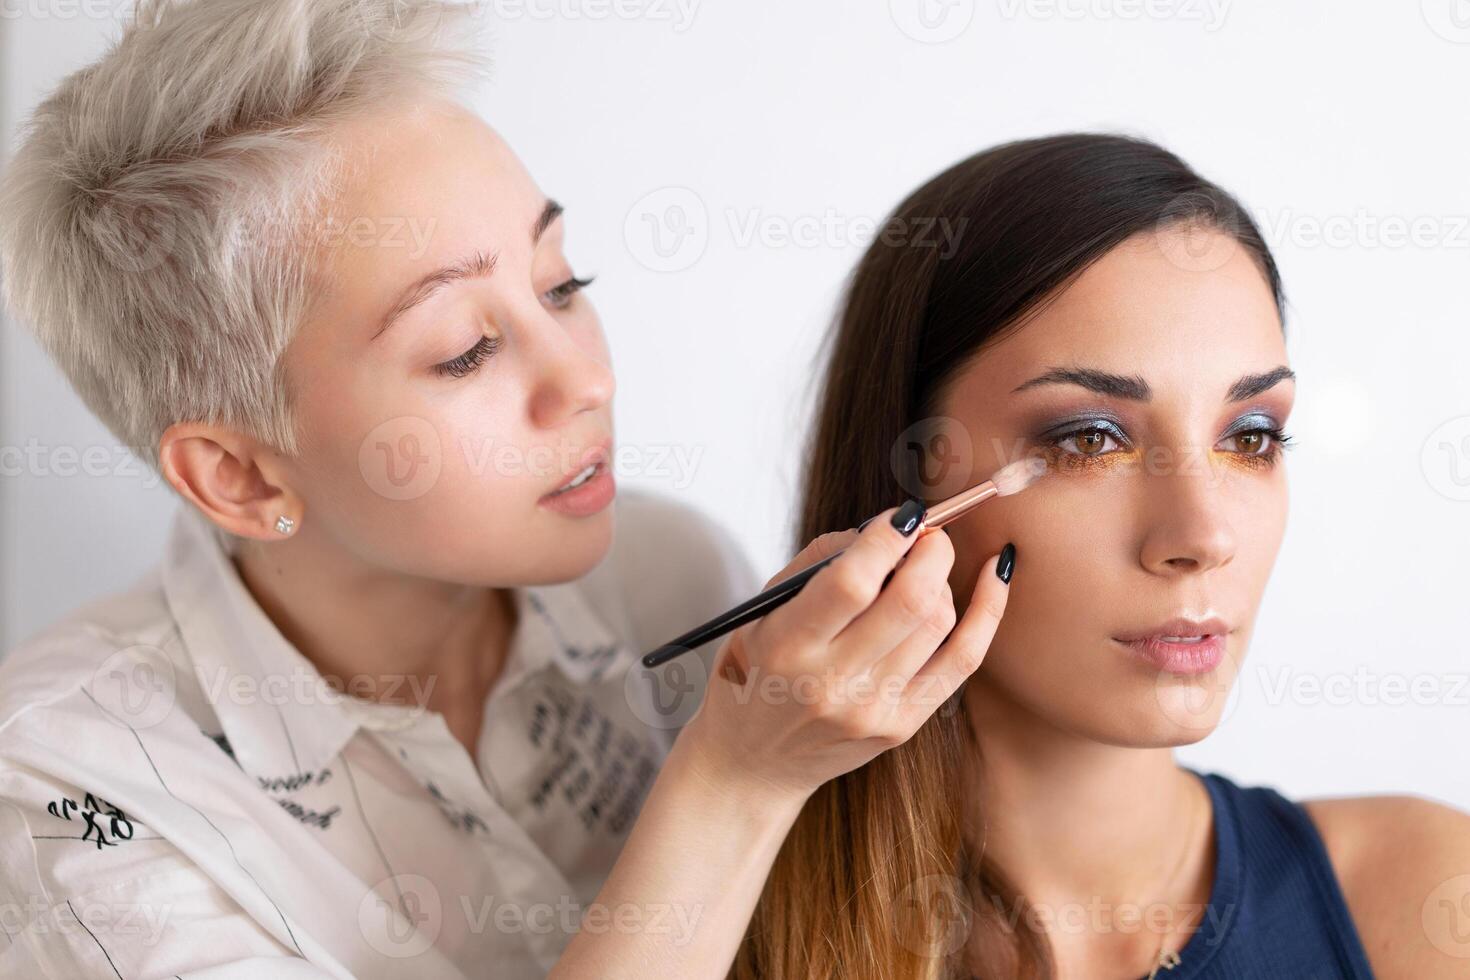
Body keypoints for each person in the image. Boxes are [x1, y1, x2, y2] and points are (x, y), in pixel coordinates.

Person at [0, 2, 1015, 977]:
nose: (588, 380)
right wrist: (738, 780)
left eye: (561, 284)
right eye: (467, 349)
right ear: (241, 473)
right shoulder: (64, 785)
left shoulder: (672, 577)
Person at [730, 133, 1470, 979]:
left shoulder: (1427, 903)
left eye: (1250, 437)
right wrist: (730, 788)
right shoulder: (714, 923)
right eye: (1091, 438)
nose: (1202, 537)